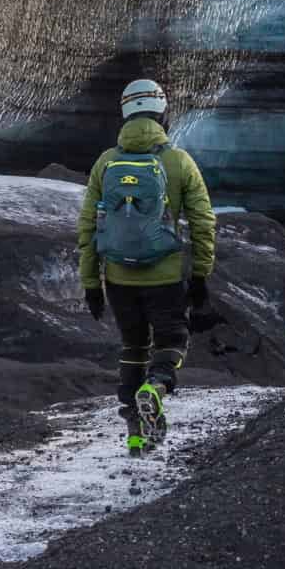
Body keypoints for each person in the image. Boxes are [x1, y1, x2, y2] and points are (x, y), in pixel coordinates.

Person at [78, 78, 216, 456]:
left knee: (133, 345)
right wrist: (201, 274)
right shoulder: (178, 161)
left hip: (118, 277)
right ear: (161, 113)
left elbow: (89, 226)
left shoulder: (106, 162)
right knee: (172, 340)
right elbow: (204, 221)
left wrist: (91, 283)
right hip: (166, 275)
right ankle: (155, 387)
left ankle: (137, 437)